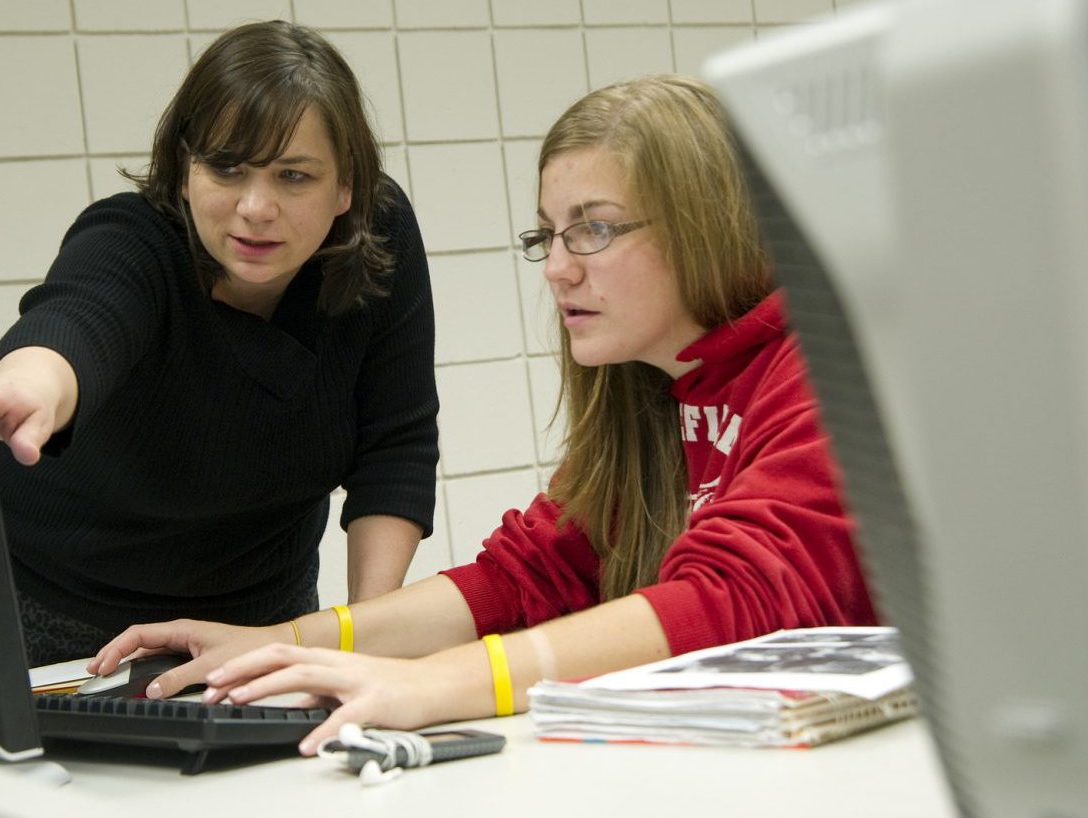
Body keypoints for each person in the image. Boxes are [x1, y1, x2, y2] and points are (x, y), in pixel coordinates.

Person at [86, 73, 877, 752]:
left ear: (707, 223)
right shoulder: (651, 388)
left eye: (594, 229)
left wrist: (433, 685)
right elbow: (523, 577)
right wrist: (280, 643)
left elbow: (733, 605)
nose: (558, 268)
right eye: (549, 235)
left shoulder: (829, 368)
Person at [0, 21, 438, 667]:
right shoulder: (133, 239)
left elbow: (396, 447)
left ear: (347, 188)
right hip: (48, 613)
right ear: (182, 170)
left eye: (294, 176)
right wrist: (27, 389)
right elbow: (77, 319)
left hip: (259, 619)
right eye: (226, 167)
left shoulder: (379, 239)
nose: (256, 206)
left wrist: (361, 639)